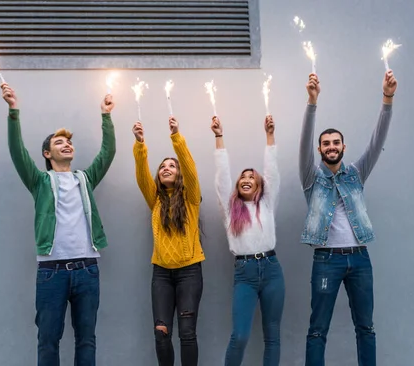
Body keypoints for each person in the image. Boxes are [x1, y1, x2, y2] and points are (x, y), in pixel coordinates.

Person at [1, 83, 116, 366]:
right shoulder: (40, 181)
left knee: (87, 339)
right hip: (51, 272)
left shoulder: (85, 179)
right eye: (58, 143)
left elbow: (108, 153)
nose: (66, 144)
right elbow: (17, 153)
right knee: (48, 341)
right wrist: (14, 112)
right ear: (47, 155)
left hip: (87, 269)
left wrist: (106, 116)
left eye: (68, 142)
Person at [299, 70, 398, 366]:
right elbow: (303, 143)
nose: (331, 147)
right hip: (327, 262)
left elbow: (377, 139)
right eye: (326, 143)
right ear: (320, 150)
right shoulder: (310, 177)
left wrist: (387, 98)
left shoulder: (356, 173)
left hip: (359, 260)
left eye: (336, 143)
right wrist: (312, 102)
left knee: (365, 327)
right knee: (317, 331)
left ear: (343, 147)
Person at [211, 115, 285, 366]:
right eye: (243, 177)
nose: (246, 179)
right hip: (245, 273)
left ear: (259, 185)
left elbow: (272, 171)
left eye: (252, 177)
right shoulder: (230, 209)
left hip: (272, 270)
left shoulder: (267, 204)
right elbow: (222, 177)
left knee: (272, 335)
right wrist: (219, 137)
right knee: (240, 335)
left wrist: (270, 136)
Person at [132, 117, 205, 366]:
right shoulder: (155, 200)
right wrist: (140, 144)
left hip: (189, 273)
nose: (166, 168)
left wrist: (177, 138)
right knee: (161, 334)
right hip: (161, 275)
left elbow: (191, 169)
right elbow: (142, 176)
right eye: (163, 166)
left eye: (172, 166)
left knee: (187, 334)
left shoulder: (191, 198)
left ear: (179, 173)